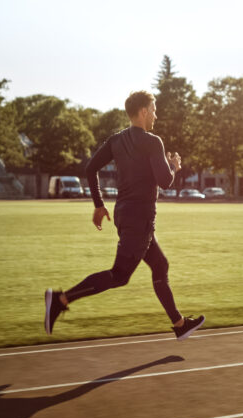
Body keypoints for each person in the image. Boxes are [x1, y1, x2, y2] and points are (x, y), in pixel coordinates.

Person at [44, 90, 205, 341]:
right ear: (142, 112)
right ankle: (60, 299)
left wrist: (99, 205)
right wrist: (173, 165)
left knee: (160, 265)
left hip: (125, 215)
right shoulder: (153, 142)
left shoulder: (116, 140)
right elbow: (165, 182)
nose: (155, 114)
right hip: (139, 220)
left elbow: (90, 168)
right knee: (119, 275)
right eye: (153, 109)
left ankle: (180, 323)